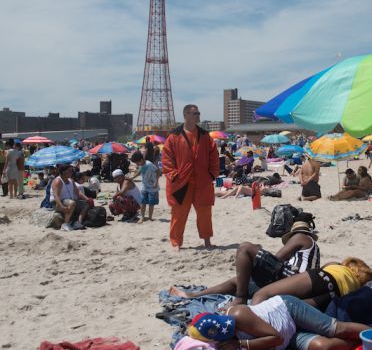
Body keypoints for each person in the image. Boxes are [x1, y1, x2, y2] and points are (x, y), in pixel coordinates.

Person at [169, 220, 320, 306]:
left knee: (245, 248)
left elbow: (277, 258)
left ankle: (240, 298)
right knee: (240, 280)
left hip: (293, 280)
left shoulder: (302, 237)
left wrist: (256, 261)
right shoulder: (312, 247)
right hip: (298, 284)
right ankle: (193, 295)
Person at [187, 296, 372, 350]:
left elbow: (275, 337)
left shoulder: (239, 314)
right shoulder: (219, 344)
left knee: (336, 329)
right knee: (325, 346)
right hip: (286, 339)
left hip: (288, 312)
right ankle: (362, 343)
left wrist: (239, 344)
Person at [162, 104, 219, 250]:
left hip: (202, 182)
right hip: (181, 183)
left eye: (198, 113)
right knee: (178, 214)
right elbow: (167, 159)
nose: (198, 115)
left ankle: (207, 241)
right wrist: (174, 176)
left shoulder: (205, 136)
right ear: (186, 114)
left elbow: (214, 156)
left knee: (205, 212)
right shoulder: (174, 136)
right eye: (195, 113)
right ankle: (176, 243)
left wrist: (212, 174)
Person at [250, 257, 372, 310]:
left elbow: (324, 267)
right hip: (333, 296)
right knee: (286, 307)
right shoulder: (356, 287)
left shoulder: (339, 266)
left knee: (262, 294)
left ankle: (249, 325)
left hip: (322, 278)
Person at [50, 164, 89, 231]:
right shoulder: (58, 181)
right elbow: (56, 196)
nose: (72, 172)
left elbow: (78, 192)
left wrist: (87, 199)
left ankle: (78, 222)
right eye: (70, 171)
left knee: (85, 204)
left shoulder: (71, 180)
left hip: (69, 201)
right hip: (57, 202)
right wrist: (62, 207)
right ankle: (65, 224)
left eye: (72, 170)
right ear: (63, 171)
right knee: (72, 203)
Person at [130, 151, 161, 222]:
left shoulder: (149, 164)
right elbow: (139, 172)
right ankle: (143, 217)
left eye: (137, 163)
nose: (137, 164)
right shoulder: (141, 165)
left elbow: (158, 172)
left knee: (151, 203)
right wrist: (132, 178)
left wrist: (156, 182)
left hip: (152, 187)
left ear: (141, 160)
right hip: (144, 186)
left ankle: (150, 217)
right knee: (143, 202)